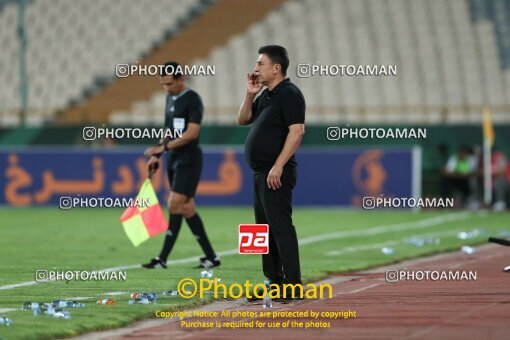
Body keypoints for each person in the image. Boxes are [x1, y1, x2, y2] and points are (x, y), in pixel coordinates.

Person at [237, 45, 305, 298]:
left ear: (276, 68)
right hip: (260, 172)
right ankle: (274, 282)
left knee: (280, 227)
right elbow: (243, 120)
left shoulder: (289, 94)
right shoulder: (265, 95)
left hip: (276, 171)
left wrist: (278, 165)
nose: (256, 68)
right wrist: (249, 95)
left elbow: (297, 131)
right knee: (262, 230)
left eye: (260, 64)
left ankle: (293, 286)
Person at [142, 61, 220, 269]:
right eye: (164, 85)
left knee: (174, 204)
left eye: (170, 84)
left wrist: (163, 149)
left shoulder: (193, 99)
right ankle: (212, 257)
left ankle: (162, 259)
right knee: (186, 207)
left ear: (181, 79)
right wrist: (158, 153)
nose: (166, 88)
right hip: (173, 158)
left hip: (189, 158)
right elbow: (168, 130)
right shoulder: (170, 98)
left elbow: (191, 133)